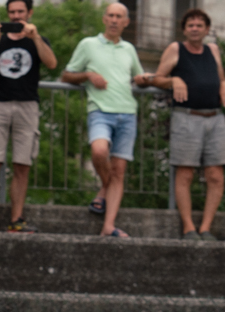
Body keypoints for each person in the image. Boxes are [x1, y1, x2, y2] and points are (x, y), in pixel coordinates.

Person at [63, 4, 150, 239]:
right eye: (110, 15)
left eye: (118, 17)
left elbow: (136, 76)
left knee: (119, 171)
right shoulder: (88, 44)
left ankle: (108, 226)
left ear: (126, 22)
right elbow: (66, 75)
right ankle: (105, 187)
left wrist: (143, 79)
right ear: (104, 19)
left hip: (128, 113)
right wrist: (88, 75)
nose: (114, 20)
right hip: (100, 110)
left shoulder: (129, 48)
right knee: (99, 152)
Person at [151, 9, 225, 240]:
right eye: (190, 25)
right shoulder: (175, 49)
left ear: (207, 29)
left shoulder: (213, 50)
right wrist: (173, 80)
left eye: (199, 25)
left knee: (216, 175)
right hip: (186, 117)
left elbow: (220, 77)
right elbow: (156, 78)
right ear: (184, 29)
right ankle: (188, 227)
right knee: (185, 173)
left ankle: (206, 227)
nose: (195, 29)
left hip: (215, 117)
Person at [0, 0, 55, 234]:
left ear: (29, 13)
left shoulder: (37, 40)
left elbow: (52, 64)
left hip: (27, 105)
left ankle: (17, 219)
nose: (16, 16)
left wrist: (36, 37)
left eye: (20, 11)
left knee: (23, 164)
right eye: (12, 12)